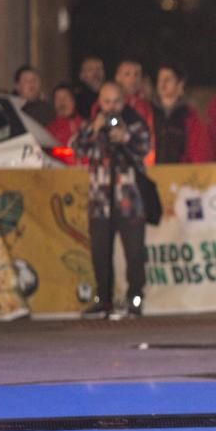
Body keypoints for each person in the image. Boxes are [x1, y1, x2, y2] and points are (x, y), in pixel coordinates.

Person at [72, 82, 151, 318]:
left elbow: (145, 147)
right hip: (101, 203)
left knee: (135, 255)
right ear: (100, 102)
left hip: (130, 202)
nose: (111, 107)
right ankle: (104, 301)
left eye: (116, 101)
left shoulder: (135, 123)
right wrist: (93, 130)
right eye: (106, 102)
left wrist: (125, 137)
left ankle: (135, 300)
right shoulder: (93, 124)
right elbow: (76, 148)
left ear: (124, 101)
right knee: (100, 255)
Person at [151, 62, 210, 164]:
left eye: (168, 79)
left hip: (179, 173)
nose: (162, 84)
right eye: (160, 79)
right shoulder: (149, 112)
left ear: (179, 84)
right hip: (152, 172)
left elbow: (196, 150)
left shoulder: (189, 115)